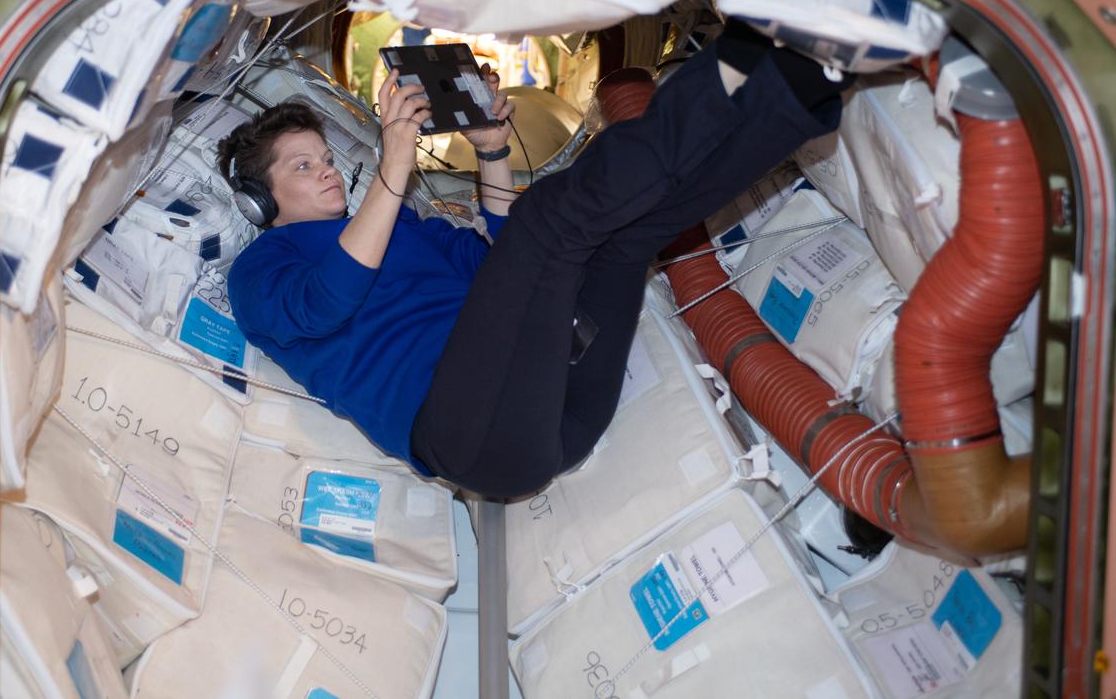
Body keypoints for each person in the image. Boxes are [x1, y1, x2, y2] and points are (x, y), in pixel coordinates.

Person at [221, 28, 849, 499]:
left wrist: (492, 152)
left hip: (558, 395)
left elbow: (505, 260)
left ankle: (801, 85)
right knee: (557, 220)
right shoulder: (259, 271)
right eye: (302, 166)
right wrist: (393, 165)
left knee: (631, 237)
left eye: (325, 156)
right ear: (260, 200)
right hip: (474, 437)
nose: (327, 168)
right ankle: (743, 53)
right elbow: (329, 299)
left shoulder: (404, 224)